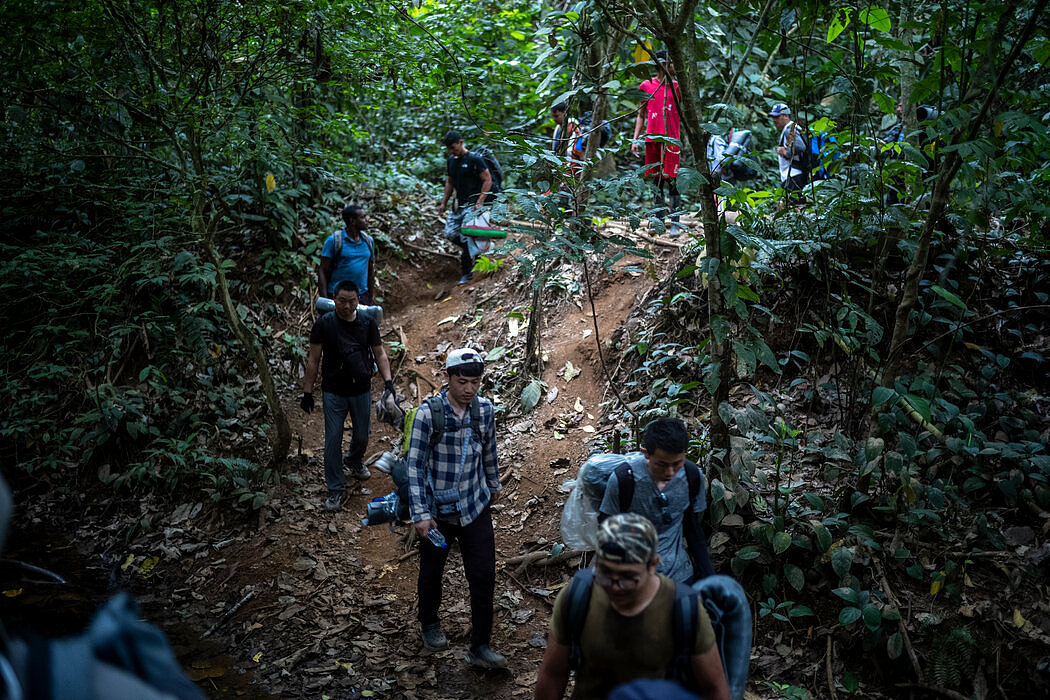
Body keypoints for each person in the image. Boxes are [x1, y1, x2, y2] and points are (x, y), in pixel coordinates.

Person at [534, 513, 730, 700]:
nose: (615, 586)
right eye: (605, 573)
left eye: (628, 577)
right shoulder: (578, 596)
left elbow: (714, 687)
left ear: (653, 564)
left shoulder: (683, 608)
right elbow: (553, 674)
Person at [405, 347, 506, 669]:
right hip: (438, 513)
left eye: (475, 383)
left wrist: (494, 487)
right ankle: (430, 623)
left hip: (475, 506)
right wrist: (421, 514)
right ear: (447, 378)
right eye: (462, 382)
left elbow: (489, 453)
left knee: (483, 575)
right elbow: (415, 466)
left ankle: (480, 645)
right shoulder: (428, 415)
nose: (469, 390)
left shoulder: (484, 411)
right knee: (433, 571)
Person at [301, 280, 394, 511]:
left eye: (352, 301)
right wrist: (307, 392)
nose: (347, 306)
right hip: (333, 390)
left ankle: (353, 459)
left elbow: (380, 354)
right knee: (333, 439)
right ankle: (335, 488)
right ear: (334, 299)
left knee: (362, 435)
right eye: (342, 301)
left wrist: (388, 383)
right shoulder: (324, 324)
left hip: (361, 388)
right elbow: (313, 360)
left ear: (358, 301)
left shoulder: (367, 323)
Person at [599, 417, 714, 584]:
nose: (670, 472)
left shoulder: (692, 475)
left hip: (679, 574)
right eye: (661, 464)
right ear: (646, 454)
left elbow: (692, 528)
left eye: (677, 464)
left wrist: (709, 577)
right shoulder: (624, 480)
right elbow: (606, 530)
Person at [632, 49, 683, 236]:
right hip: (653, 139)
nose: (675, 67)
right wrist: (636, 139)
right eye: (671, 63)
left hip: (672, 139)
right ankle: (658, 222)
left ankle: (676, 223)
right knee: (656, 181)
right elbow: (641, 114)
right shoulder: (646, 85)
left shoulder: (678, 86)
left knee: (673, 180)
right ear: (663, 65)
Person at [439, 131, 494, 286]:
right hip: (458, 205)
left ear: (461, 142)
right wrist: (443, 202)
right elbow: (450, 182)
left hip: (472, 205)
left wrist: (480, 201)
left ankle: (467, 272)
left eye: (454, 147)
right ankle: (476, 250)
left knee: (465, 235)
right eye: (449, 149)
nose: (452, 151)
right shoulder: (451, 160)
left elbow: (487, 179)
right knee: (450, 234)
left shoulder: (474, 159)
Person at [318, 204, 377, 305]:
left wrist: (369, 298)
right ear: (352, 221)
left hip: (361, 296)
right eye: (362, 217)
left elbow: (370, 270)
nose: (367, 219)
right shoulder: (334, 241)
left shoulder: (368, 241)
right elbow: (323, 270)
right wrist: (325, 301)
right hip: (337, 296)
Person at [769, 103, 808, 207]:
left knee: (796, 207)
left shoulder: (789, 129)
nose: (774, 120)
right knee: (788, 205)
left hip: (793, 175)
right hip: (794, 175)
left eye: (777, 117)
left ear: (786, 115)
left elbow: (800, 146)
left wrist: (786, 153)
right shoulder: (792, 128)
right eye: (773, 117)